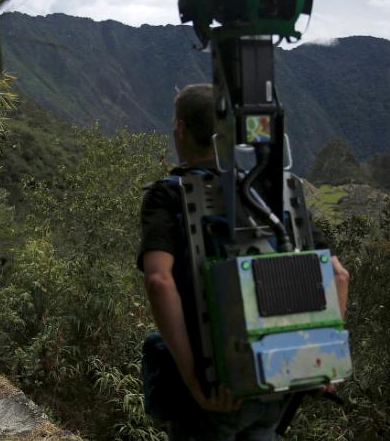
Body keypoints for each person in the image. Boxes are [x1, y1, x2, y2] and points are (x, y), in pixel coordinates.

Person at [138, 84, 350, 440]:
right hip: (276, 380)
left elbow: (159, 280)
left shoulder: (169, 194)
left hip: (216, 390)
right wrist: (319, 364)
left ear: (181, 129)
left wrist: (194, 380)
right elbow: (339, 276)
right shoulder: (275, 193)